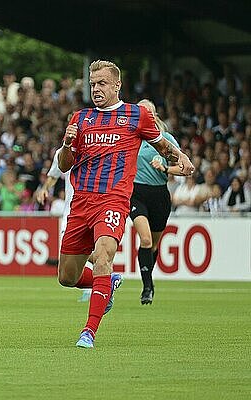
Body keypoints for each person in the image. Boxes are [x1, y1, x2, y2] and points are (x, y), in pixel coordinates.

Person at [57, 60, 194, 348]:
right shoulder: (79, 119)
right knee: (67, 277)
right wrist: (67, 144)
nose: (96, 89)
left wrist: (181, 157)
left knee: (103, 255)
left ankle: (88, 332)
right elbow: (64, 164)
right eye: (93, 84)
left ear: (117, 85)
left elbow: (162, 146)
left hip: (114, 200)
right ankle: (107, 284)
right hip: (82, 202)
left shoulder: (136, 115)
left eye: (102, 83)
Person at [129, 99, 186, 305]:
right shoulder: (130, 138)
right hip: (136, 193)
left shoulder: (166, 138)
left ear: (154, 115)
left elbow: (184, 167)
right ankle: (146, 288)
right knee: (145, 240)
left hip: (159, 195)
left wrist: (165, 169)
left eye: (149, 111)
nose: (146, 115)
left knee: (153, 245)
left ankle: (149, 281)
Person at [37, 150, 92, 303]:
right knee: (67, 266)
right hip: (71, 213)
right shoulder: (63, 152)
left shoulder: (96, 147)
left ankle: (98, 286)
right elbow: (54, 174)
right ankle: (104, 280)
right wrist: (44, 188)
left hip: (93, 209)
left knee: (82, 256)